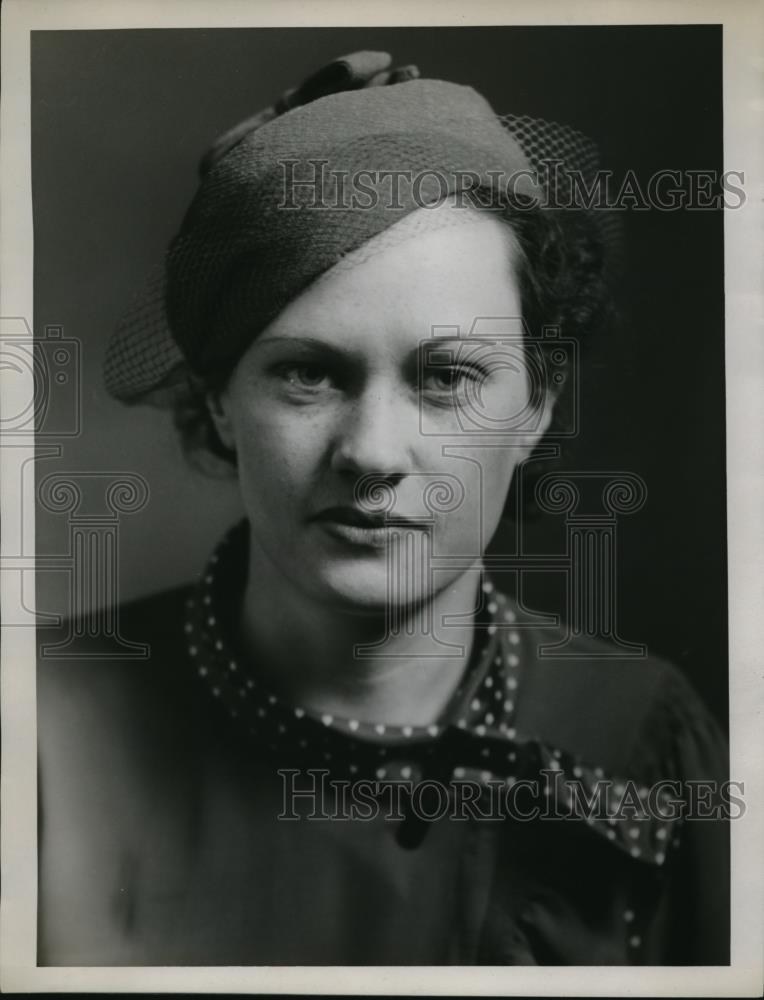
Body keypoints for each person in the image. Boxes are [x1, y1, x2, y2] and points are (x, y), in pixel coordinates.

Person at [37, 51, 730, 966]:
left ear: (539, 404)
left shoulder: (643, 736)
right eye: (307, 372)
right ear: (215, 400)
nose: (371, 452)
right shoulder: (41, 729)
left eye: (447, 377)